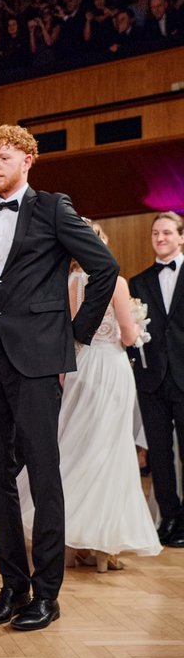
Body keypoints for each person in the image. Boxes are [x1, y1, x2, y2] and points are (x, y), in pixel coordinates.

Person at [0, 124, 118, 631]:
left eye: (4, 156)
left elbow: (105, 268)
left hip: (37, 360)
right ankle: (13, 587)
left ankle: (47, 593)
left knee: (44, 476)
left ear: (28, 160)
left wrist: (76, 334)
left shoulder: (53, 208)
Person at [17, 223, 161, 569]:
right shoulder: (116, 282)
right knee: (109, 451)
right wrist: (138, 326)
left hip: (79, 367)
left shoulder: (69, 282)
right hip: (110, 368)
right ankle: (103, 547)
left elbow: (67, 332)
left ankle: (70, 540)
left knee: (74, 447)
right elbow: (128, 337)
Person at [129, 212, 184, 548]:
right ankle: (170, 517)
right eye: (155, 233)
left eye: (167, 232)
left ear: (181, 236)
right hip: (152, 380)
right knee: (159, 455)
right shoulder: (138, 282)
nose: (160, 238)